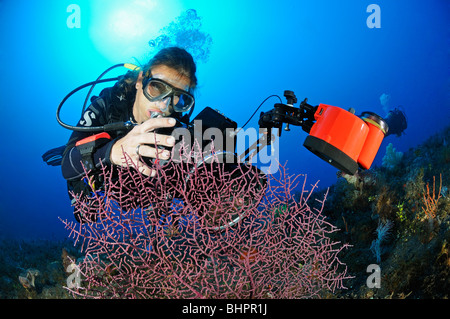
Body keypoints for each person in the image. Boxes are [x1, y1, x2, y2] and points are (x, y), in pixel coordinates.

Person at [61, 47, 197, 220]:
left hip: (142, 192)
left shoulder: (177, 129)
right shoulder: (107, 105)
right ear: (140, 80)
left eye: (177, 96)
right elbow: (67, 165)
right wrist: (111, 151)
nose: (164, 105)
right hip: (107, 180)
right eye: (157, 87)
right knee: (86, 215)